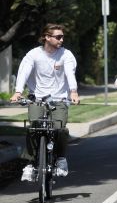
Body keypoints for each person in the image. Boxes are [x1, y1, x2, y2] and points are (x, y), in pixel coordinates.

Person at [10, 23, 80, 180]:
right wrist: (18, 92)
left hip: (59, 99)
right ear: (47, 37)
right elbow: (24, 72)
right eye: (58, 37)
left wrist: (73, 92)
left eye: (62, 37)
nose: (61, 39)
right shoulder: (34, 54)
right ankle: (29, 163)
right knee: (32, 128)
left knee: (60, 129)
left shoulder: (66, 55)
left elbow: (70, 73)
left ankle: (61, 159)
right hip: (38, 97)